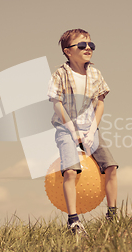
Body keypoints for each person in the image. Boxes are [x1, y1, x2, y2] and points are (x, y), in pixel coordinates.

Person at [47, 29, 118, 235]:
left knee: (111, 167)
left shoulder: (95, 74)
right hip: (66, 129)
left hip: (90, 128)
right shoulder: (60, 74)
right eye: (82, 45)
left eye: (91, 45)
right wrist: (74, 131)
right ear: (68, 51)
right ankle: (73, 221)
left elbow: (100, 104)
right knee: (70, 171)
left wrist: (91, 131)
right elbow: (57, 105)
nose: (88, 48)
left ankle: (112, 216)